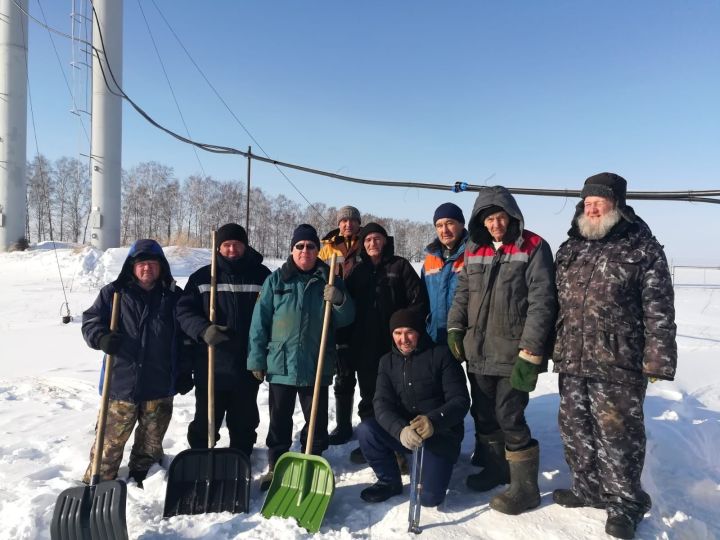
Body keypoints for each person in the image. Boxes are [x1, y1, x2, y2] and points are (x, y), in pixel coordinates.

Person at [552, 173, 677, 540]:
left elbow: (659, 309)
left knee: (617, 433)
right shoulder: (571, 247)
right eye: (587, 203)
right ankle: (586, 488)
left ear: (616, 207)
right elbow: (554, 301)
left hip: (618, 360)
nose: (591, 209)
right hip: (572, 357)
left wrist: (658, 359)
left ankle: (625, 502)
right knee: (575, 426)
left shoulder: (643, 249)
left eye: (599, 203)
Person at [447, 185, 556, 515]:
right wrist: (455, 327)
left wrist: (532, 350)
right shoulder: (474, 249)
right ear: (481, 221)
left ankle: (526, 487)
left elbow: (542, 301)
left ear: (512, 217)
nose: (496, 224)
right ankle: (496, 468)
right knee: (483, 414)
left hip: (514, 353)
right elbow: (463, 293)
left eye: (501, 217)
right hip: (478, 351)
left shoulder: (534, 246)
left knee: (509, 415)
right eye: (489, 218)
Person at [248, 224, 355, 490]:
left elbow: (346, 319)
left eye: (310, 246)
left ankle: (312, 459)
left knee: (316, 417)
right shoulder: (276, 280)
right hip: (281, 362)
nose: (305, 251)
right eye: (300, 246)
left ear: (318, 250)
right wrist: (256, 359)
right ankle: (277, 463)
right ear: (292, 250)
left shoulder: (329, 279)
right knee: (279, 417)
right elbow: (259, 323)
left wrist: (340, 299)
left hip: (315, 361)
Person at [81, 239, 186, 487]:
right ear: (131, 267)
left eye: (152, 263)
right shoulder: (114, 293)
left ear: (161, 266)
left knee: (150, 445)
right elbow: (90, 321)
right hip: (120, 384)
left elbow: (184, 340)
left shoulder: (173, 297)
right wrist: (101, 337)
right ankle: (98, 484)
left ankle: (143, 480)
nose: (147, 268)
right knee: (108, 444)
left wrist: (184, 371)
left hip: (159, 385)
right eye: (141, 264)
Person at [356, 308, 470, 505]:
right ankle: (389, 481)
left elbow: (460, 401)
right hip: (407, 434)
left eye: (409, 332)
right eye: (398, 333)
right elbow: (381, 404)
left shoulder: (441, 355)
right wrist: (400, 430)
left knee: (428, 499)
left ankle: (433, 465)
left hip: (440, 436)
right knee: (367, 430)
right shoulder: (387, 363)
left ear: (419, 331)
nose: (404, 339)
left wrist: (433, 421)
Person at [176, 223, 271, 456]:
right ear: (218, 248)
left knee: (244, 421)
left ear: (245, 246)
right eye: (226, 245)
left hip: (247, 364)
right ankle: (201, 458)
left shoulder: (262, 276)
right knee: (206, 421)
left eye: (236, 244)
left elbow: (273, 314)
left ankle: (240, 459)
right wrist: (203, 329)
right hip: (211, 365)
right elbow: (184, 311)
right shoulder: (202, 277)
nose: (231, 250)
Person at [346, 222, 428, 464]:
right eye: (368, 239)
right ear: (363, 244)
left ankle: (399, 445)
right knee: (369, 395)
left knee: (398, 394)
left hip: (395, 345)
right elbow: (348, 307)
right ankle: (371, 440)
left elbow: (418, 301)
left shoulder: (399, 266)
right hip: (365, 345)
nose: (373, 243)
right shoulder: (358, 272)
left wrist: (404, 328)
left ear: (385, 241)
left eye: (377, 238)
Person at [420, 202, 484, 466]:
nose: (444, 230)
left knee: (479, 394)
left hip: (469, 336)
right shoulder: (430, 258)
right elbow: (424, 296)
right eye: (439, 225)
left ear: (461, 224)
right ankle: (444, 441)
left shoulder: (475, 252)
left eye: (449, 223)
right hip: (436, 337)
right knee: (440, 393)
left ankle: (485, 445)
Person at [319, 205, 363, 445]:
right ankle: (344, 425)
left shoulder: (366, 242)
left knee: (369, 377)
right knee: (343, 375)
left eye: (352, 221)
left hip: (364, 317)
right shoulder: (327, 248)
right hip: (339, 318)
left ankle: (371, 427)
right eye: (343, 221)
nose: (347, 224)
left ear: (358, 223)